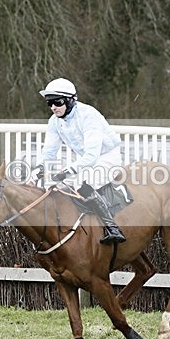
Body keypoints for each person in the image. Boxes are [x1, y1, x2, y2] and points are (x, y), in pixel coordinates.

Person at [29, 78, 126, 244]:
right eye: (49, 103)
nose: (53, 107)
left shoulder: (88, 115)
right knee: (57, 186)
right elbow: (49, 151)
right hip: (86, 159)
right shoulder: (54, 121)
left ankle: (113, 228)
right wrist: (39, 167)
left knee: (83, 184)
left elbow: (92, 156)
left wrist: (66, 172)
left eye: (57, 102)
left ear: (70, 100)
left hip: (108, 156)